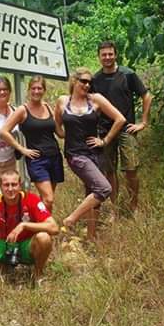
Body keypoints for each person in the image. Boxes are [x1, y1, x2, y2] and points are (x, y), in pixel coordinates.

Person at [54, 68, 125, 241]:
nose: (87, 85)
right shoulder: (63, 101)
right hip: (76, 155)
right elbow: (58, 127)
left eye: (89, 82)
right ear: (74, 81)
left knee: (93, 194)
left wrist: (105, 140)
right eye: (83, 81)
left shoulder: (95, 99)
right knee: (104, 188)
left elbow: (120, 119)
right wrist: (66, 136)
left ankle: (91, 238)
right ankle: (71, 219)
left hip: (96, 153)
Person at [91, 41, 152, 212]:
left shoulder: (127, 74)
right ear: (99, 57)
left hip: (127, 129)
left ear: (116, 55)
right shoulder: (95, 80)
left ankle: (134, 208)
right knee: (109, 172)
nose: (107, 58)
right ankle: (114, 209)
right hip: (104, 131)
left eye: (110, 54)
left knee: (131, 170)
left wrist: (144, 122)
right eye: (104, 55)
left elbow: (147, 96)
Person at [0, 76, 63, 212]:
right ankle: (41, 228)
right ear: (29, 90)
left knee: (47, 201)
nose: (36, 91)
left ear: (44, 90)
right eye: (33, 88)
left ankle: (43, 230)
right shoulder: (23, 110)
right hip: (37, 160)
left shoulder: (47, 107)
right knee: (48, 198)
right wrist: (22, 149)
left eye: (39, 88)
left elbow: (60, 133)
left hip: (54, 157)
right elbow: (4, 131)